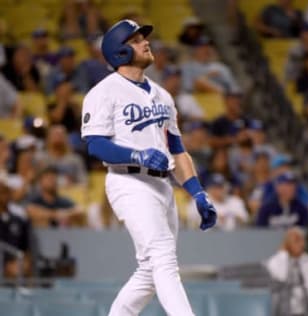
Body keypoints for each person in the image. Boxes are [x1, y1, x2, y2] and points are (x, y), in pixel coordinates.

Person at [81, 20, 217, 316]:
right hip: (127, 182)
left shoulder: (162, 95)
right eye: (135, 39)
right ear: (119, 52)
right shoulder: (104, 92)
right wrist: (138, 155)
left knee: (149, 271)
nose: (145, 42)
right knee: (163, 258)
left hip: (162, 185)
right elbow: (95, 144)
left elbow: (178, 151)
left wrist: (198, 192)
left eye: (143, 37)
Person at [265, 227, 308, 316]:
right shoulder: (276, 262)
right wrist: (283, 253)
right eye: (296, 240)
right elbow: (275, 287)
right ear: (286, 243)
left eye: (302, 240)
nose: (300, 243)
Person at [0, 181, 33, 279]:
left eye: (6, 193)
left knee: (20, 268)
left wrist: (25, 264)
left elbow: (26, 249)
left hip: (15, 262)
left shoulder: (19, 221)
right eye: (1, 193)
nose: (3, 196)